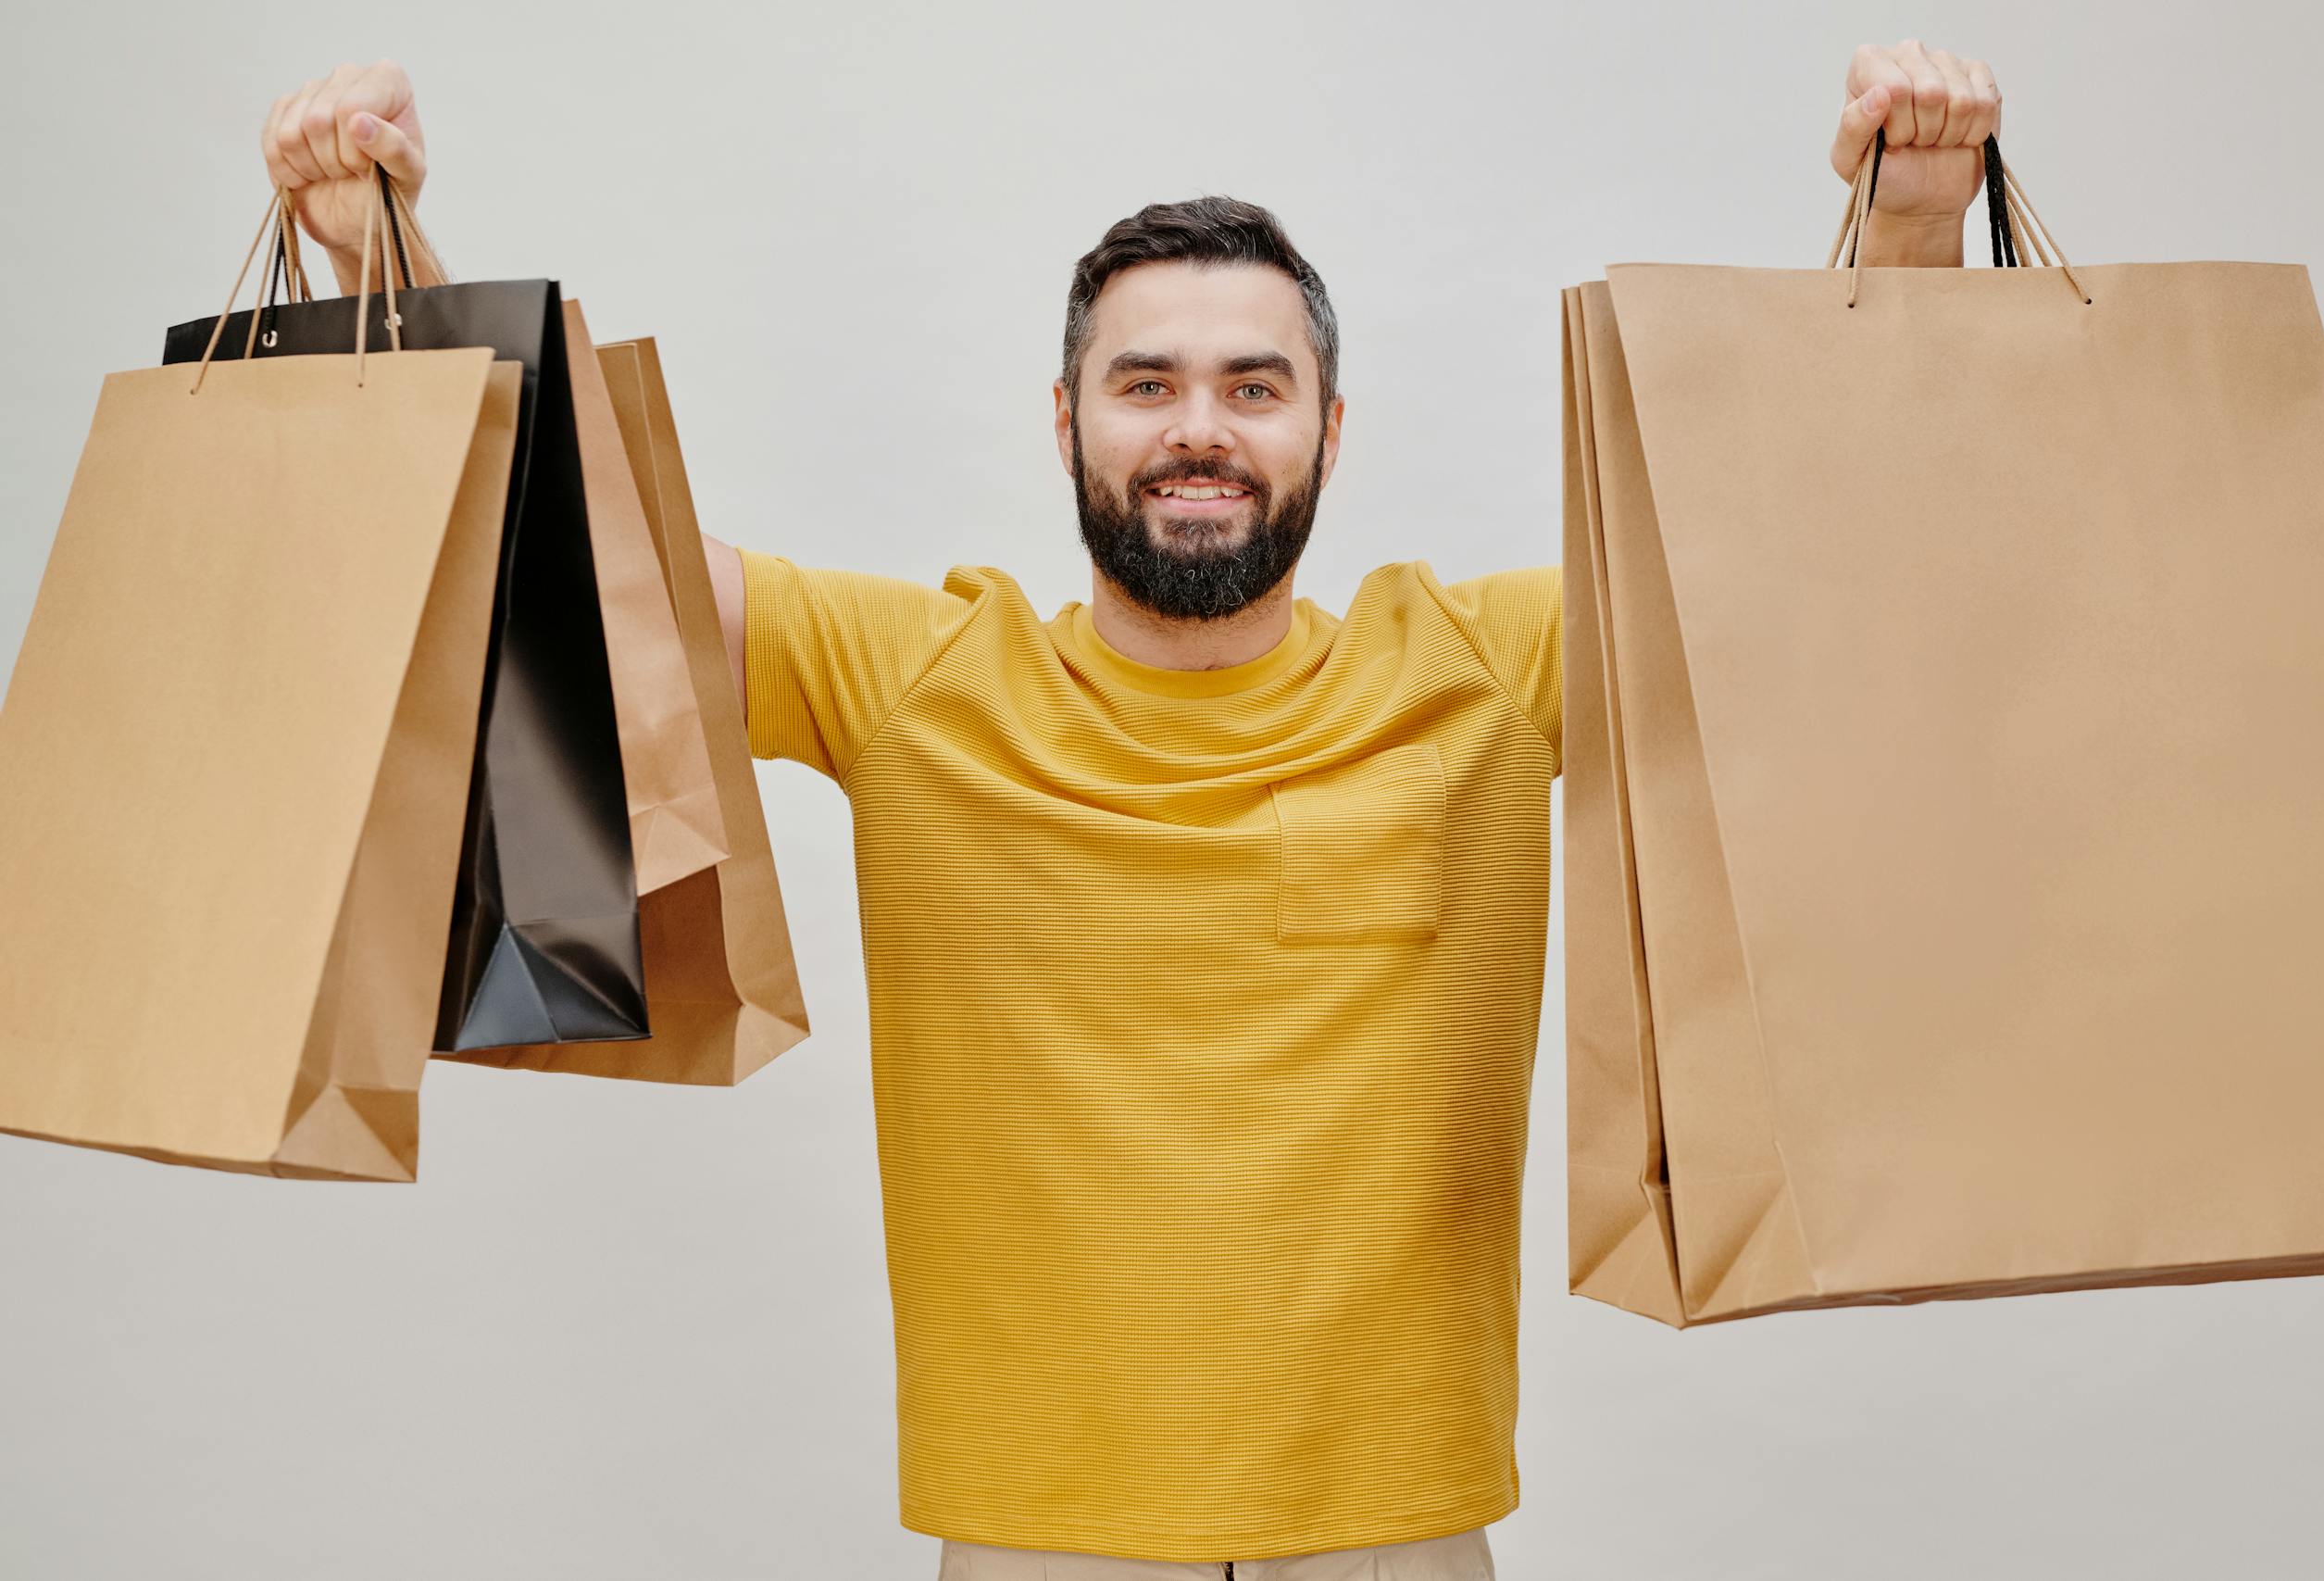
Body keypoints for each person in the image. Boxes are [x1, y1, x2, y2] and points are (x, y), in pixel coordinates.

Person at [258, 40, 2002, 1579]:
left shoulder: (1482, 670)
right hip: (1037, 1546)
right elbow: (589, 566)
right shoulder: (922, 677)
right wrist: (384, 269)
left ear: (1331, 425)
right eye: (1147, 383)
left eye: (1254, 386)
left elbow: (1799, 557)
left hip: (1398, 1541)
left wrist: (1914, 238)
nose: (1202, 429)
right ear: (1068, 422)